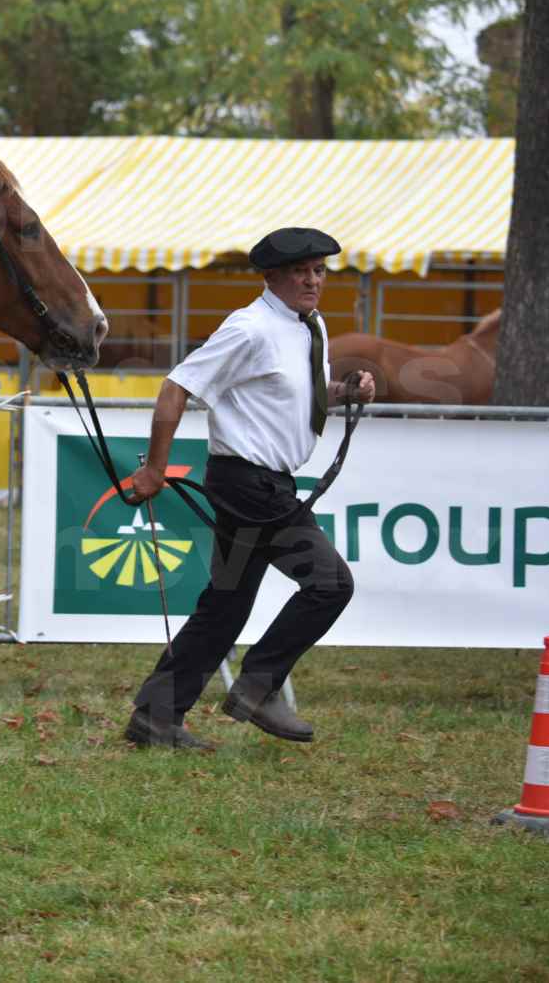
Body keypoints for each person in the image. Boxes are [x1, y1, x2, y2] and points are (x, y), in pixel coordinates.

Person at [123, 227, 375, 749]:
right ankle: (257, 688)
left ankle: (156, 715)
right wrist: (155, 471)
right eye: (302, 271)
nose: (313, 280)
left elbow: (294, 394)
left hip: (265, 481)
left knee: (227, 605)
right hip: (249, 484)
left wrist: (343, 392)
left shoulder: (311, 326)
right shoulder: (250, 328)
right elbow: (176, 388)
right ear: (273, 276)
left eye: (320, 271)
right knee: (330, 584)